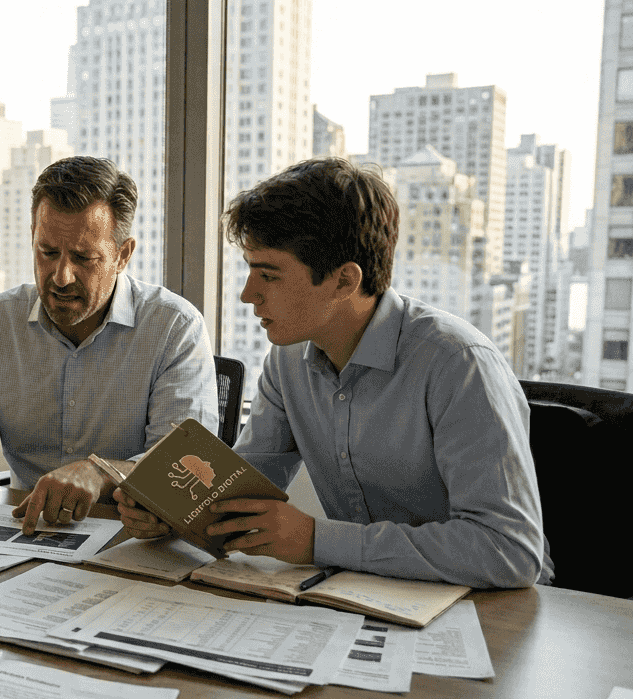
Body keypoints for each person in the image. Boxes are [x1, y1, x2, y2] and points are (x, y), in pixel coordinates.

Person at [117, 157, 552, 589]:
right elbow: (243, 489)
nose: (249, 294)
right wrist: (173, 513)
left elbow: (509, 551)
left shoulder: (458, 363)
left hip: (485, 608)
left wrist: (316, 540)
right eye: (250, 270)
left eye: (268, 274)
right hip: (362, 596)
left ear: (345, 281)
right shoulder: (287, 362)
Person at [0, 156, 218, 535]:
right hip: (22, 531)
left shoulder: (174, 326)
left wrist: (101, 474)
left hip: (131, 539)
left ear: (123, 254)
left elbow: (183, 465)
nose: (60, 276)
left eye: (82, 257)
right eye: (47, 253)